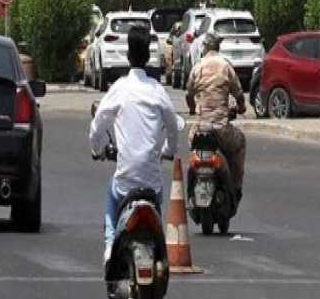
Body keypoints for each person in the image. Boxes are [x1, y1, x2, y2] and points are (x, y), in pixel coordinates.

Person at [89, 22, 182, 253]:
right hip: (152, 184)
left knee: (111, 192)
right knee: (158, 202)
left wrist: (97, 149)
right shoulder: (157, 90)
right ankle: (159, 246)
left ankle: (110, 246)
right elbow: (172, 124)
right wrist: (169, 150)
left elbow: (98, 124)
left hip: (125, 183)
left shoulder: (120, 88)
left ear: (128, 55)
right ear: (148, 56)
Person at [186, 30, 247, 204]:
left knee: (192, 149)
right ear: (218, 47)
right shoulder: (225, 66)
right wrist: (241, 107)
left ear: (204, 48)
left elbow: (189, 94)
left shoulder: (197, 67)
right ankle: (236, 187)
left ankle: (191, 188)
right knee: (240, 142)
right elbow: (239, 94)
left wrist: (192, 109)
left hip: (200, 130)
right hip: (221, 130)